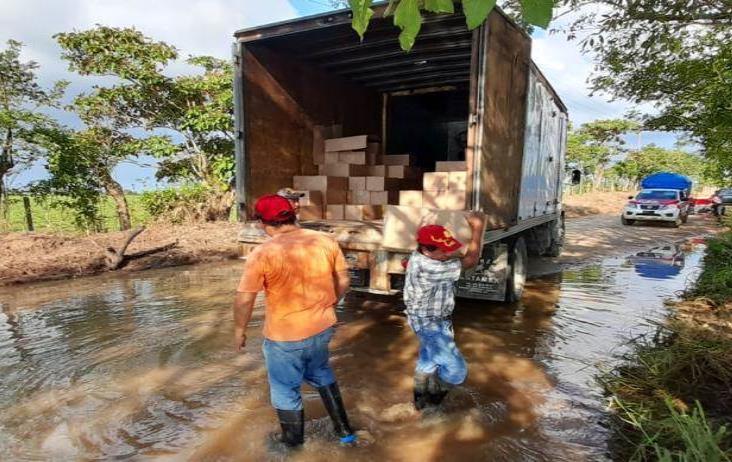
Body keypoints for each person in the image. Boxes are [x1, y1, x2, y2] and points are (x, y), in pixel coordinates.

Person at [232, 194, 357, 448]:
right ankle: (345, 433)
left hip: (285, 337)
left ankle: (293, 446)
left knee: (285, 390)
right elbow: (344, 281)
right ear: (293, 214)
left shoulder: (262, 253)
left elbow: (245, 300)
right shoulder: (324, 240)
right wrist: (329, 304)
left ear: (261, 223)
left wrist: (239, 330)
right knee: (322, 373)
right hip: (322, 328)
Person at [403, 215, 485, 410]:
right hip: (431, 324)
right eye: (444, 251)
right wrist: (477, 229)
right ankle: (433, 406)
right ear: (427, 250)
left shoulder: (417, 257)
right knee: (457, 370)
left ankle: (419, 406)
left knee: (428, 361)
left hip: (422, 321)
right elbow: (471, 261)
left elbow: (408, 261)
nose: (449, 254)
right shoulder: (431, 267)